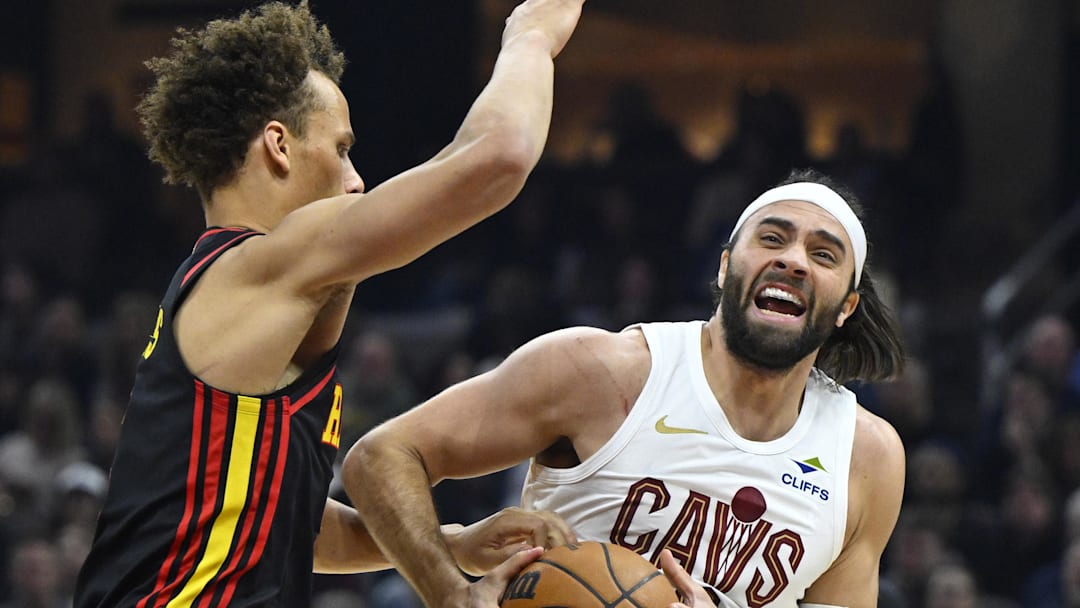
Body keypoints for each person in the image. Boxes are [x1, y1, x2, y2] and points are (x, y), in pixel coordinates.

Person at [73, 1, 585, 606]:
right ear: (279, 146)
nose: (356, 180)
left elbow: (290, 527)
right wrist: (529, 36)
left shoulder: (243, 296)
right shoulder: (258, 267)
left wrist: (456, 544)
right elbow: (494, 156)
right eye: (341, 148)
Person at [344, 168, 908, 608]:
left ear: (847, 307)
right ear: (724, 266)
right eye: (773, 239)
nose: (793, 260)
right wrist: (448, 589)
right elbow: (383, 455)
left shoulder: (866, 456)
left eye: (823, 254)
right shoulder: (602, 370)